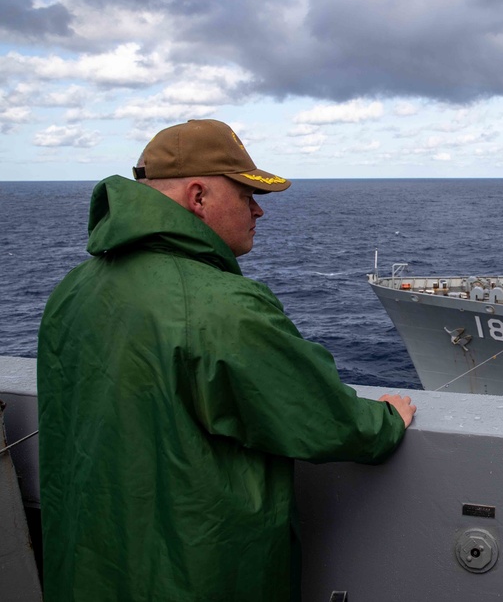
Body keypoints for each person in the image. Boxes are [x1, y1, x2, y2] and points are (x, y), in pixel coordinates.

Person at [36, 119, 416, 601]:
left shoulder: (73, 289)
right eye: (244, 195)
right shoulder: (223, 306)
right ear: (198, 197)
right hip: (193, 576)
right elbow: (322, 417)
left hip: (87, 574)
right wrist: (385, 421)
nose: (258, 210)